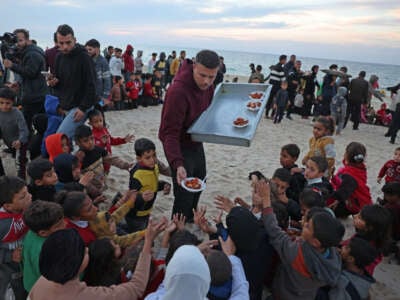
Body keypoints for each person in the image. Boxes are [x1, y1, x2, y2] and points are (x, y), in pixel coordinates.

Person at [28, 219, 167, 300]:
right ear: (76, 265)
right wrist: (148, 241)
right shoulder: (90, 296)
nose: (88, 250)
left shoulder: (43, 281)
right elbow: (136, 288)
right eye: (84, 252)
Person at [159, 49, 220, 221]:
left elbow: (208, 113)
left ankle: (191, 220)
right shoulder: (177, 92)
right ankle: (177, 231)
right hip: (177, 142)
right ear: (194, 66)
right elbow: (168, 133)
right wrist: (177, 164)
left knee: (200, 181)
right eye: (202, 75)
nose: (207, 82)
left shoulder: (209, 86)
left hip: (195, 139)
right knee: (184, 192)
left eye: (212, 76)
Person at [257, 180, 344, 300]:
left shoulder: (296, 253)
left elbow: (274, 232)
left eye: (307, 226)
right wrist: (300, 236)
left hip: (284, 294)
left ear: (315, 242)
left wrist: (266, 201)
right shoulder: (333, 255)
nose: (304, 222)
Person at [48, 24, 97, 141]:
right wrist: (53, 82)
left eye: (68, 43)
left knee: (59, 139)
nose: (65, 47)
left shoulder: (84, 57)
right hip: (66, 104)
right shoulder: (59, 57)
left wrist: (83, 108)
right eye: (61, 43)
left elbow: (92, 85)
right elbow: (60, 81)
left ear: (75, 40)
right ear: (57, 42)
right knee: (71, 142)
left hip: (81, 105)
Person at [3, 28, 47, 133]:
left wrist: (12, 66)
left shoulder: (32, 54)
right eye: (15, 41)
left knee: (26, 123)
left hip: (34, 95)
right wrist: (18, 83)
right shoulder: (28, 52)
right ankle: (32, 145)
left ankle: (28, 146)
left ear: (27, 40)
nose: (17, 44)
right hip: (35, 93)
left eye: (20, 40)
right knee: (33, 123)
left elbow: (30, 72)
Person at [125, 138, 171, 232]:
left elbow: (152, 184)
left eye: (154, 155)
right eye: (147, 157)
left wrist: (164, 185)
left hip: (147, 211)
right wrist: (142, 197)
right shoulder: (137, 174)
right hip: (136, 215)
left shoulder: (155, 167)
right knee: (138, 235)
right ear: (138, 158)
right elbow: (130, 196)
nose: (152, 160)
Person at [22, 200, 65, 292]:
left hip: (31, 282)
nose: (65, 224)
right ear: (43, 233)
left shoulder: (32, 232)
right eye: (59, 225)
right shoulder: (46, 252)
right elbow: (54, 281)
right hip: (43, 291)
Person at [0, 176, 32, 300]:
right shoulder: (2, 224)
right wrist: (9, 255)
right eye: (23, 197)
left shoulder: (26, 209)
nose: (30, 196)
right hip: (9, 273)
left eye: (28, 192)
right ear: (8, 206)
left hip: (26, 266)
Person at [329, 142, 372, 218]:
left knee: (329, 209)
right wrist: (333, 176)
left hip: (358, 206)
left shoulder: (349, 174)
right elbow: (343, 185)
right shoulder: (359, 168)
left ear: (347, 155)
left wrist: (326, 195)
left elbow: (342, 193)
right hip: (356, 200)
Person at [0, 87, 29, 178]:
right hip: (8, 141)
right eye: (1, 103)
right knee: (14, 155)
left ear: (13, 102)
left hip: (20, 142)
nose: (4, 106)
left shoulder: (17, 113)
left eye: (8, 103)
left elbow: (24, 129)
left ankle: (22, 182)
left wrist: (20, 140)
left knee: (20, 164)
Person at [85, 39, 111, 107]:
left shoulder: (103, 62)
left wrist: (105, 97)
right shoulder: (86, 60)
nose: (88, 52)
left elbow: (107, 81)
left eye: (90, 49)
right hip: (87, 96)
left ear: (97, 49)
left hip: (99, 97)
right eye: (86, 50)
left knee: (99, 114)